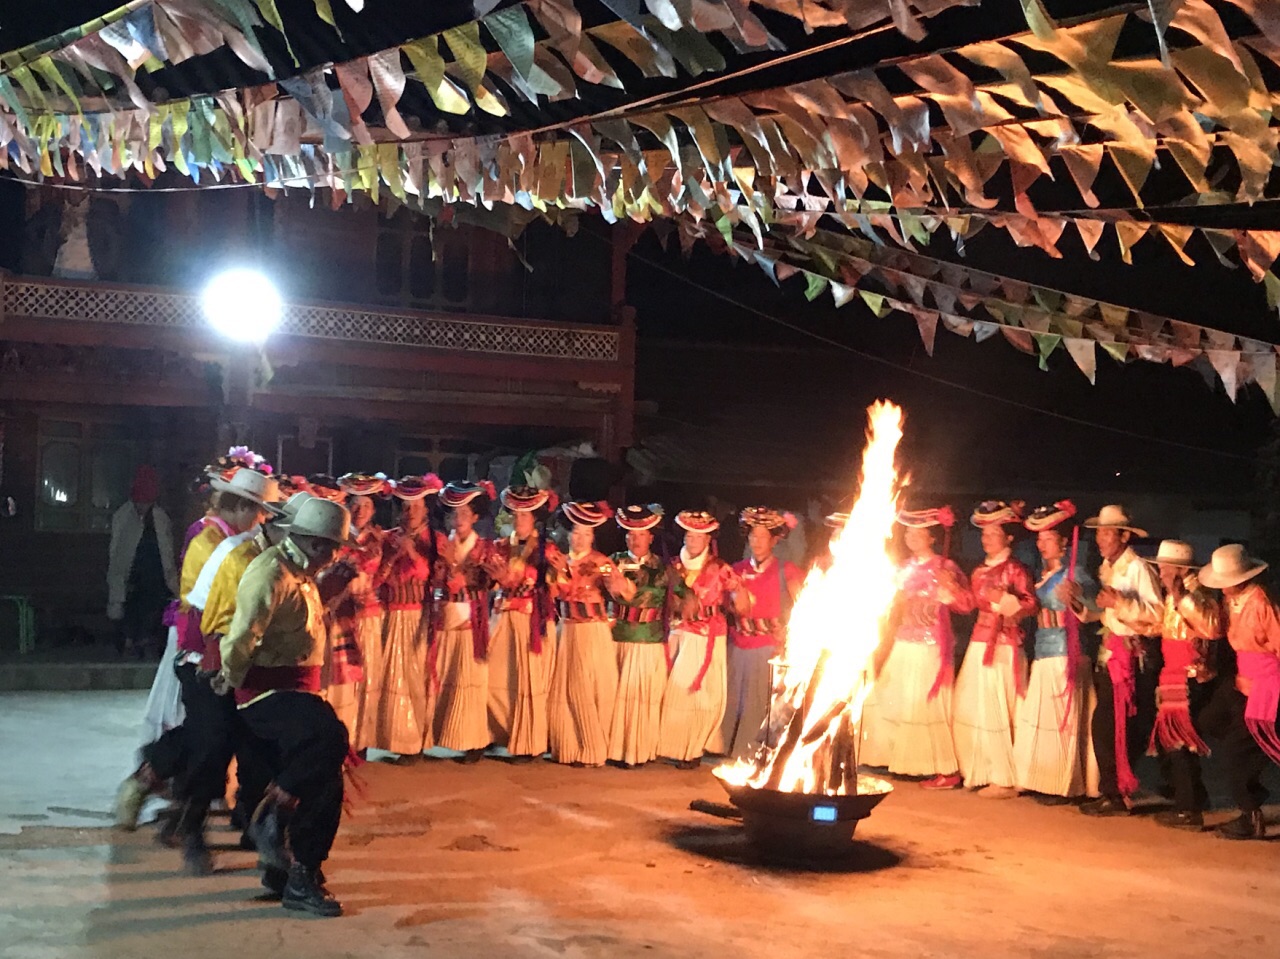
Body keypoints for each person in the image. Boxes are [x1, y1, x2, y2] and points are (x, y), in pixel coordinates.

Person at [116, 463, 281, 872]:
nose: (263, 520)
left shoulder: (242, 543)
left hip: (226, 653)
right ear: (243, 508)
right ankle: (183, 815)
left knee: (215, 738)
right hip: (203, 651)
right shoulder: (214, 542)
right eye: (261, 511)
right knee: (210, 740)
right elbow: (210, 603)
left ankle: (171, 801)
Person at [217, 497, 354, 917]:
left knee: (326, 776)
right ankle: (278, 813)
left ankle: (288, 869)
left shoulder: (302, 573)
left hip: (294, 691)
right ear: (313, 543)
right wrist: (230, 680)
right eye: (330, 547)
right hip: (265, 693)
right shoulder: (271, 571)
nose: (334, 555)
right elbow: (241, 636)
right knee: (330, 736)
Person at [862, 506, 973, 788]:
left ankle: (942, 768)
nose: (911, 537)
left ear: (932, 537)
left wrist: (949, 592)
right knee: (892, 697)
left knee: (926, 704)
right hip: (903, 640)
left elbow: (966, 605)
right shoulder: (903, 568)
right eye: (908, 532)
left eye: (917, 533)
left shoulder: (945, 567)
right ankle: (893, 758)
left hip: (931, 644)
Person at [1064, 505, 1163, 817]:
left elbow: (1157, 616)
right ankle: (1115, 789)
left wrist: (1118, 602)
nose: (1100, 540)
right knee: (1111, 724)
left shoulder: (1138, 568)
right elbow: (1107, 613)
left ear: (1123, 535)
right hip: (1110, 653)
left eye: (1107, 533)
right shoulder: (1110, 566)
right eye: (1099, 533)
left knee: (1112, 725)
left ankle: (1116, 792)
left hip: (1129, 659)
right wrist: (1082, 605)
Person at [1013, 502, 1096, 803]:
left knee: (1064, 720)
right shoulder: (1042, 576)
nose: (1041, 544)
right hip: (1044, 651)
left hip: (1066, 652)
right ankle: (1040, 777)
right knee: (1041, 718)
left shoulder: (1076, 574)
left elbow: (1094, 607)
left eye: (1047, 539)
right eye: (1039, 540)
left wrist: (1076, 597)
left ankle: (1064, 784)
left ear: (1063, 544)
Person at [1196, 544, 1280, 839]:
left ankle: (1250, 814)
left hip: (1266, 686)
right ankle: (1253, 771)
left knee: (1235, 751)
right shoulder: (1231, 600)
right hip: (1242, 681)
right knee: (1209, 721)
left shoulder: (1262, 603)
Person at [954, 501, 1036, 798]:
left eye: (993, 534)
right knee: (971, 706)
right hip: (979, 643)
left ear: (1008, 538)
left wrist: (1003, 600)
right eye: (984, 534)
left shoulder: (1015, 569)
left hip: (1003, 647)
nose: (986, 539)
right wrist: (951, 590)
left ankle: (1003, 777)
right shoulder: (978, 572)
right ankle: (980, 770)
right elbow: (968, 605)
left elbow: (1030, 605)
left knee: (997, 710)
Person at [657, 510, 743, 769]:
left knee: (700, 693)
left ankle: (693, 748)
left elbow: (741, 601)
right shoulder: (673, 566)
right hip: (677, 631)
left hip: (707, 635)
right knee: (675, 689)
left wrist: (740, 598)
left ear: (708, 540)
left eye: (699, 536)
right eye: (689, 535)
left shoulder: (719, 568)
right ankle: (672, 745)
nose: (693, 540)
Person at [1145, 541, 1221, 830]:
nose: (1161, 572)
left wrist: (1180, 595)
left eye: (1164, 567)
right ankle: (1192, 798)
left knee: (1180, 742)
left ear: (1180, 570)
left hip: (1189, 676)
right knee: (1172, 741)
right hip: (1174, 674)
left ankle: (1189, 810)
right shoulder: (1174, 596)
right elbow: (1159, 626)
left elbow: (1212, 628)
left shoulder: (1198, 595)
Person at [717, 507, 804, 759]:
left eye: (762, 537)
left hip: (768, 646)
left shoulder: (785, 570)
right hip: (739, 642)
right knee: (735, 699)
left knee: (760, 701)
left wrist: (788, 636)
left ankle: (756, 751)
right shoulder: (736, 569)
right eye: (753, 536)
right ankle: (727, 747)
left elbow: (804, 604)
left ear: (774, 540)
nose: (757, 542)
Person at [369, 474, 442, 761]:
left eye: (416, 506)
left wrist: (411, 551)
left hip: (417, 616)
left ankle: (413, 743)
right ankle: (390, 739)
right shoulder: (388, 537)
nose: (410, 512)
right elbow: (376, 580)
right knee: (387, 678)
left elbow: (440, 577)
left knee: (413, 678)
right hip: (389, 614)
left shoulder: (435, 541)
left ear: (426, 509)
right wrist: (390, 557)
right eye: (406, 506)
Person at [487, 485, 559, 762]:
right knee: (494, 676)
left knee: (526, 681)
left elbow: (554, 586)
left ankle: (528, 741)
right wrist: (499, 581)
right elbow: (491, 581)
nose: (519, 520)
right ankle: (496, 733)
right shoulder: (501, 547)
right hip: (503, 614)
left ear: (535, 518)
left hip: (530, 619)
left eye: (525, 515)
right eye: (516, 514)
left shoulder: (546, 549)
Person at [432, 480, 500, 762]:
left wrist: (461, 575)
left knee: (470, 680)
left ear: (474, 517)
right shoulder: (438, 546)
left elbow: (490, 580)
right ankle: (437, 735)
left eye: (464, 513)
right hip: (443, 618)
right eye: (454, 513)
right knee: (441, 678)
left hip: (472, 620)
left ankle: (474, 740)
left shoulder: (485, 548)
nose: (458, 519)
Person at [547, 501, 618, 767]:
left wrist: (614, 581)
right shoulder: (559, 561)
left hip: (591, 630)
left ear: (593, 537)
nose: (580, 538)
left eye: (586, 534)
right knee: (564, 689)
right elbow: (553, 593)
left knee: (586, 687)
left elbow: (620, 591)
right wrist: (555, 573)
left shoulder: (600, 562)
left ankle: (593, 749)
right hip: (567, 628)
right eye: (576, 533)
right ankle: (566, 747)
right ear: (568, 535)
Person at [606, 504, 674, 767]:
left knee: (641, 698)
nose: (636, 539)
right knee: (615, 695)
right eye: (631, 534)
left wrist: (626, 589)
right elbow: (605, 588)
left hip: (648, 640)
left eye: (642, 534)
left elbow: (653, 593)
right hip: (618, 637)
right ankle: (613, 748)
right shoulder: (612, 562)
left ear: (651, 537)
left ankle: (638, 751)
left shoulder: (662, 568)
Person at [337, 473, 389, 754]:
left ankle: (362, 739)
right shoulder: (339, 536)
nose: (359, 511)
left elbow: (376, 573)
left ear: (373, 511)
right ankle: (343, 736)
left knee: (367, 677)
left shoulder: (376, 540)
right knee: (345, 678)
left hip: (367, 615)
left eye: (366, 506)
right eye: (354, 505)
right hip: (343, 615)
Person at [107, 465, 177, 658]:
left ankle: (144, 641)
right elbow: (117, 548)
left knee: (153, 605)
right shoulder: (123, 516)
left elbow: (167, 549)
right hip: (131, 573)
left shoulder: (160, 518)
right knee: (129, 606)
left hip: (155, 573)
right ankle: (129, 641)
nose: (142, 507)